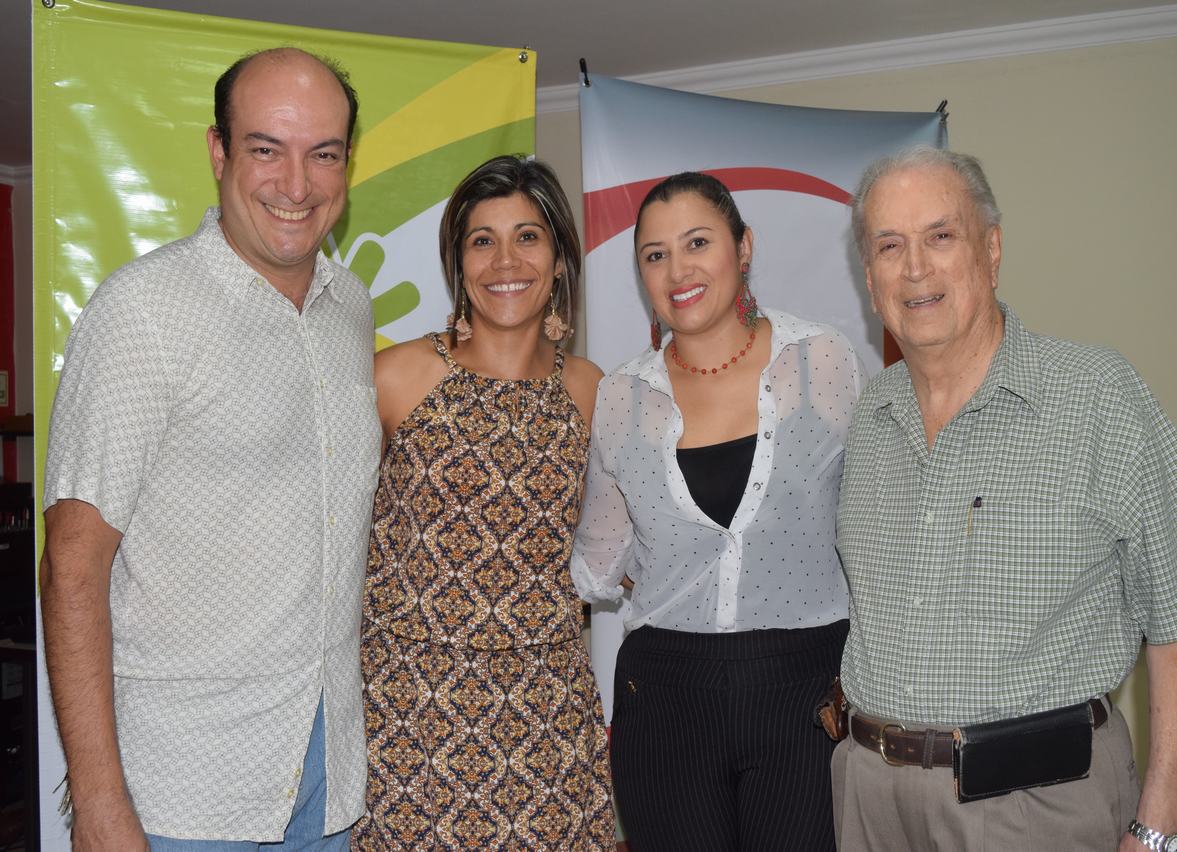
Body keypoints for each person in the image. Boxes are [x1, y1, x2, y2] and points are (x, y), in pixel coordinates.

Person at [40, 49, 382, 849]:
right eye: (266, 148)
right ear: (218, 152)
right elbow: (71, 565)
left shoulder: (351, 310)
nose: (296, 185)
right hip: (181, 794)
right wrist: (96, 802)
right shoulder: (142, 312)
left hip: (328, 780)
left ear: (346, 163)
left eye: (322, 153)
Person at [833, 145, 1177, 851]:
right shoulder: (868, 419)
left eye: (940, 236)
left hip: (1033, 808)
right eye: (889, 246)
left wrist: (1156, 826)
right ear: (869, 280)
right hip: (868, 805)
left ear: (990, 250)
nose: (915, 268)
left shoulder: (1096, 397)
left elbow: (1172, 619)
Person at [573, 172, 864, 851]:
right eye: (654, 254)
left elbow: (871, 523)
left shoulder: (819, 360)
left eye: (697, 242)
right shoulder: (621, 396)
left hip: (807, 693)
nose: (677, 269)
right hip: (665, 697)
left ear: (743, 247)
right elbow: (596, 563)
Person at [351, 155, 614, 849]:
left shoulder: (591, 391)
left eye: (527, 236)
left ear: (558, 259)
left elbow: (615, 544)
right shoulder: (394, 378)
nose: (505, 260)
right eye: (481, 239)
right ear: (457, 262)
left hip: (546, 715)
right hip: (409, 719)